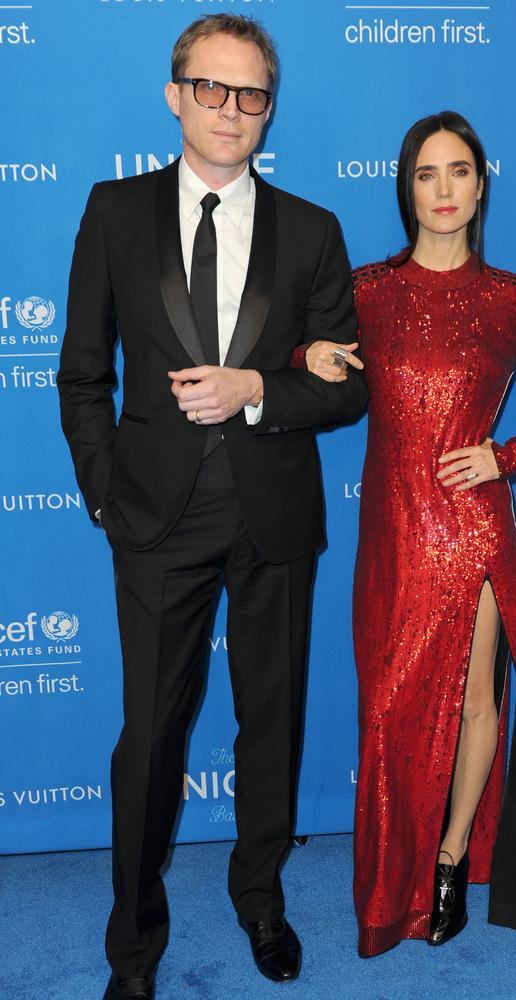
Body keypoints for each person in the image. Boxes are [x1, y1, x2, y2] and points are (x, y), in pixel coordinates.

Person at [57, 14, 367, 998]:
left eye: (252, 95)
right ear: (175, 93)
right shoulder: (114, 211)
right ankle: (132, 945)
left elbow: (346, 387)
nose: (233, 111)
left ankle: (259, 897)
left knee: (268, 723)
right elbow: (78, 377)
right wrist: (107, 492)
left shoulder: (312, 230)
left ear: (269, 107)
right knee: (148, 733)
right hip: (152, 519)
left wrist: (259, 388)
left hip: (273, 518)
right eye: (213, 89)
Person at [292, 111, 516, 957]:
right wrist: (305, 357)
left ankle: (453, 860)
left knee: (474, 704)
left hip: (475, 532)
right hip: (392, 533)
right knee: (386, 712)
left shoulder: (510, 298)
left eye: (459, 171)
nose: (444, 191)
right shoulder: (368, 291)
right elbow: (303, 353)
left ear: (481, 184)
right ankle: (391, 885)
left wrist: (509, 454)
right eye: (427, 174)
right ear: (406, 187)